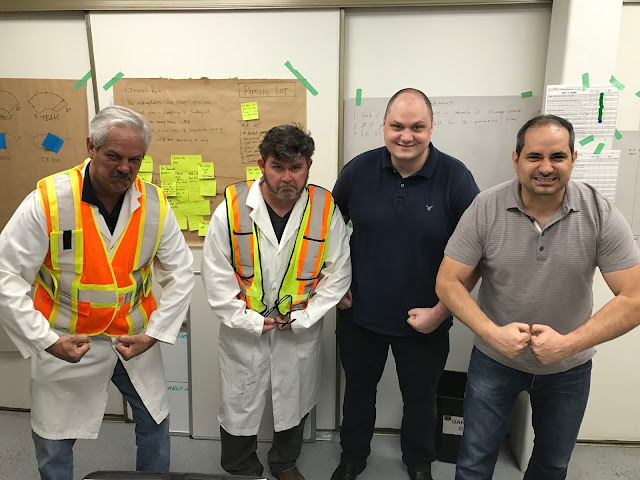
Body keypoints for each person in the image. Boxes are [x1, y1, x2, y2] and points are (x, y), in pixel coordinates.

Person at [436, 114, 640, 480]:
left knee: (552, 464)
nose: (546, 168)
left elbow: (635, 297)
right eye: (534, 157)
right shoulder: (485, 207)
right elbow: (447, 282)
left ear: (573, 159)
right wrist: (492, 334)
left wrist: (568, 344)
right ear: (516, 159)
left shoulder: (599, 212)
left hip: (568, 369)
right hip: (494, 360)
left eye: (557, 156)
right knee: (473, 462)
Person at [0, 105, 195, 480]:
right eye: (114, 156)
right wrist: (45, 340)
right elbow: (6, 274)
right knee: (54, 438)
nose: (125, 168)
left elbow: (181, 272)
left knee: (154, 421)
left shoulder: (154, 205)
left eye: (135, 160)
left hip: (131, 338)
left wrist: (155, 333)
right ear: (91, 146)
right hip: (66, 338)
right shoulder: (49, 201)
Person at [331, 88, 480, 480]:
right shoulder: (357, 171)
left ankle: (418, 462)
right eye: (397, 126)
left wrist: (441, 312)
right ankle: (352, 456)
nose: (406, 136)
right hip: (359, 313)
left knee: (420, 398)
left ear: (431, 127)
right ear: (384, 125)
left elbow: (477, 254)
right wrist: (332, 285)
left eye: (417, 127)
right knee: (358, 391)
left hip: (426, 319)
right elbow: (324, 231)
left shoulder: (456, 178)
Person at [201, 124, 351, 480]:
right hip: (244, 328)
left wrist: (304, 318)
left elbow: (338, 273)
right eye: (277, 167)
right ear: (262, 165)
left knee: (293, 398)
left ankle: (284, 462)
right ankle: (241, 468)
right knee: (239, 400)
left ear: (308, 166)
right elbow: (216, 276)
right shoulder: (231, 209)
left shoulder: (324, 209)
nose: (287, 177)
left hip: (297, 328)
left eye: (295, 167)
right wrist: (249, 321)